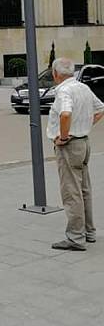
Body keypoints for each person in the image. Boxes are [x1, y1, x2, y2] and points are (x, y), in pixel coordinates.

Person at [47, 57, 104, 251]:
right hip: (84, 143)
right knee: (84, 189)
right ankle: (89, 232)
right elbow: (100, 108)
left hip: (70, 146)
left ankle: (75, 237)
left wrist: (63, 136)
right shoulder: (83, 88)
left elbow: (65, 114)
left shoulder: (64, 90)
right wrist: (86, 125)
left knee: (71, 192)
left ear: (55, 74)